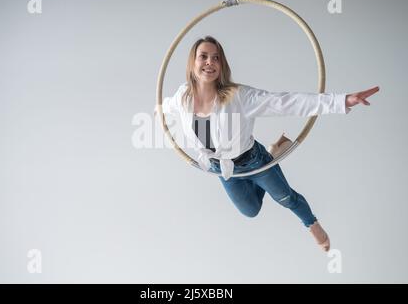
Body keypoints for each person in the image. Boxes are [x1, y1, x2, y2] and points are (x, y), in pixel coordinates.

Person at [158, 36, 379, 252]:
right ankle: (275, 153)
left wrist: (341, 101)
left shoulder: (239, 96)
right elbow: (166, 106)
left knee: (286, 199)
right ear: (192, 62)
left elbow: (284, 103)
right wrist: (159, 111)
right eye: (203, 56)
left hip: (253, 161)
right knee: (251, 211)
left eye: (216, 58)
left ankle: (312, 224)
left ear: (222, 64)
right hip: (222, 168)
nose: (209, 62)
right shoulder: (182, 97)